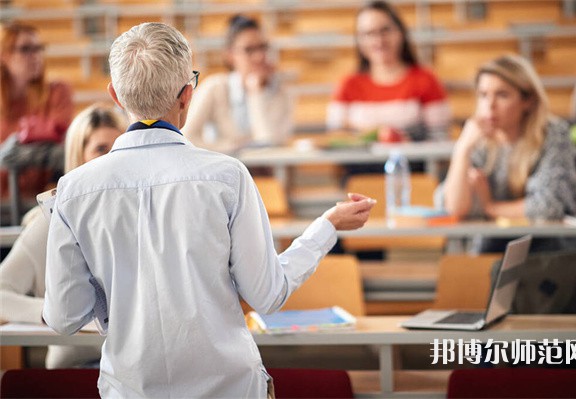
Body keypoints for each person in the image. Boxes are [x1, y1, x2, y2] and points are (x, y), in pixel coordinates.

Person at [43, 22, 374, 398]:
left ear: (115, 96)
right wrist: (326, 227)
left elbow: (64, 317)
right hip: (228, 386)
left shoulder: (73, 190)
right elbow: (267, 295)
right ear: (187, 95)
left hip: (131, 388)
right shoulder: (226, 176)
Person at [0, 103, 126, 368]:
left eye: (117, 148)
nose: (111, 158)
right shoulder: (50, 222)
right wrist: (50, 312)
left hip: (131, 368)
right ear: (78, 158)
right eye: (101, 149)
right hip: (76, 365)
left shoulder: (136, 216)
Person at [436, 54, 576, 253]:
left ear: (528, 101)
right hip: (493, 250)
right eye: (483, 95)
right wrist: (462, 149)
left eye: (502, 95)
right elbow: (453, 209)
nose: (490, 105)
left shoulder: (553, 134)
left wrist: (490, 207)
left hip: (549, 253)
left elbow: (548, 207)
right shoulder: (479, 141)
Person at [327, 0, 451, 142]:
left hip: (413, 163)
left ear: (401, 32)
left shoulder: (425, 79)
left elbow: (439, 137)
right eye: (369, 33)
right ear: (359, 40)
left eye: (385, 30)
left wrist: (409, 139)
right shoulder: (348, 84)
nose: (379, 40)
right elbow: (334, 137)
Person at [182, 15, 293, 154]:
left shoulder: (280, 92)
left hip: (262, 173)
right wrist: (230, 150)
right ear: (230, 55)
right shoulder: (215, 87)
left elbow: (268, 145)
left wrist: (256, 93)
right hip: (220, 169)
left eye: (263, 47)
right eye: (249, 49)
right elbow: (185, 136)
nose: (259, 56)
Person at [0, 23, 74, 199]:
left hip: (40, 198)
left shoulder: (58, 92)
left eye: (39, 48)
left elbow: (58, 147)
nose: (36, 56)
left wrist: (10, 153)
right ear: (4, 55)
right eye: (25, 49)